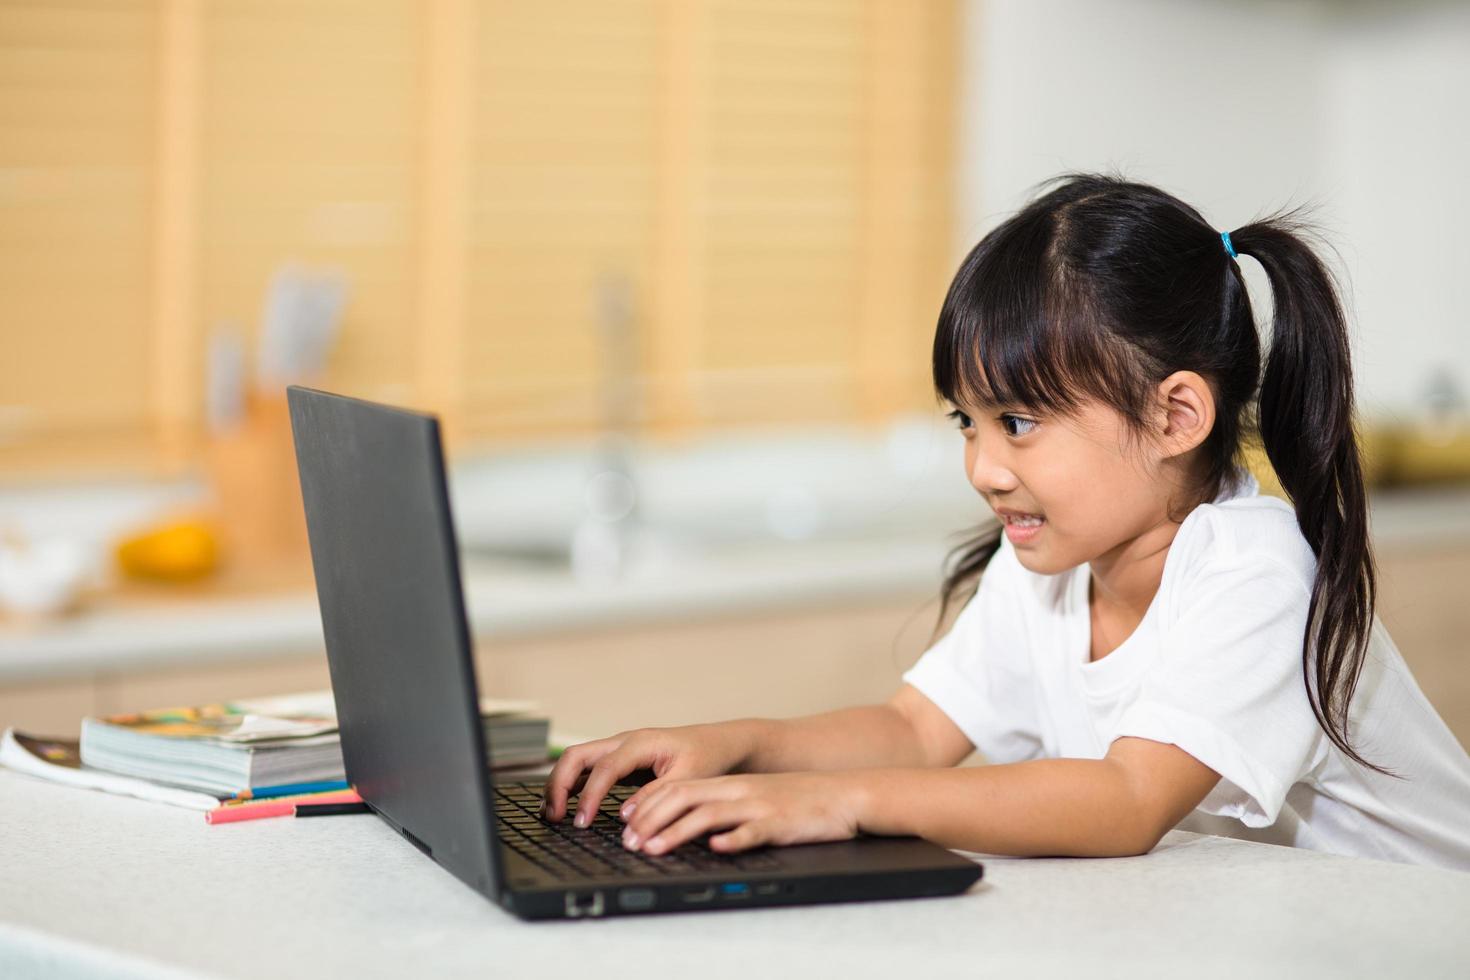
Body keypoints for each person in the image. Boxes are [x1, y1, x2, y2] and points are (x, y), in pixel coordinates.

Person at [540, 172, 1470, 871]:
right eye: (968, 423)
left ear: (1175, 417)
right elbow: (912, 731)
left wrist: (836, 803)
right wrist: (735, 745)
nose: (984, 469)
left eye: (1020, 424)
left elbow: (1124, 801)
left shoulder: (1256, 574)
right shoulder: (1053, 561)